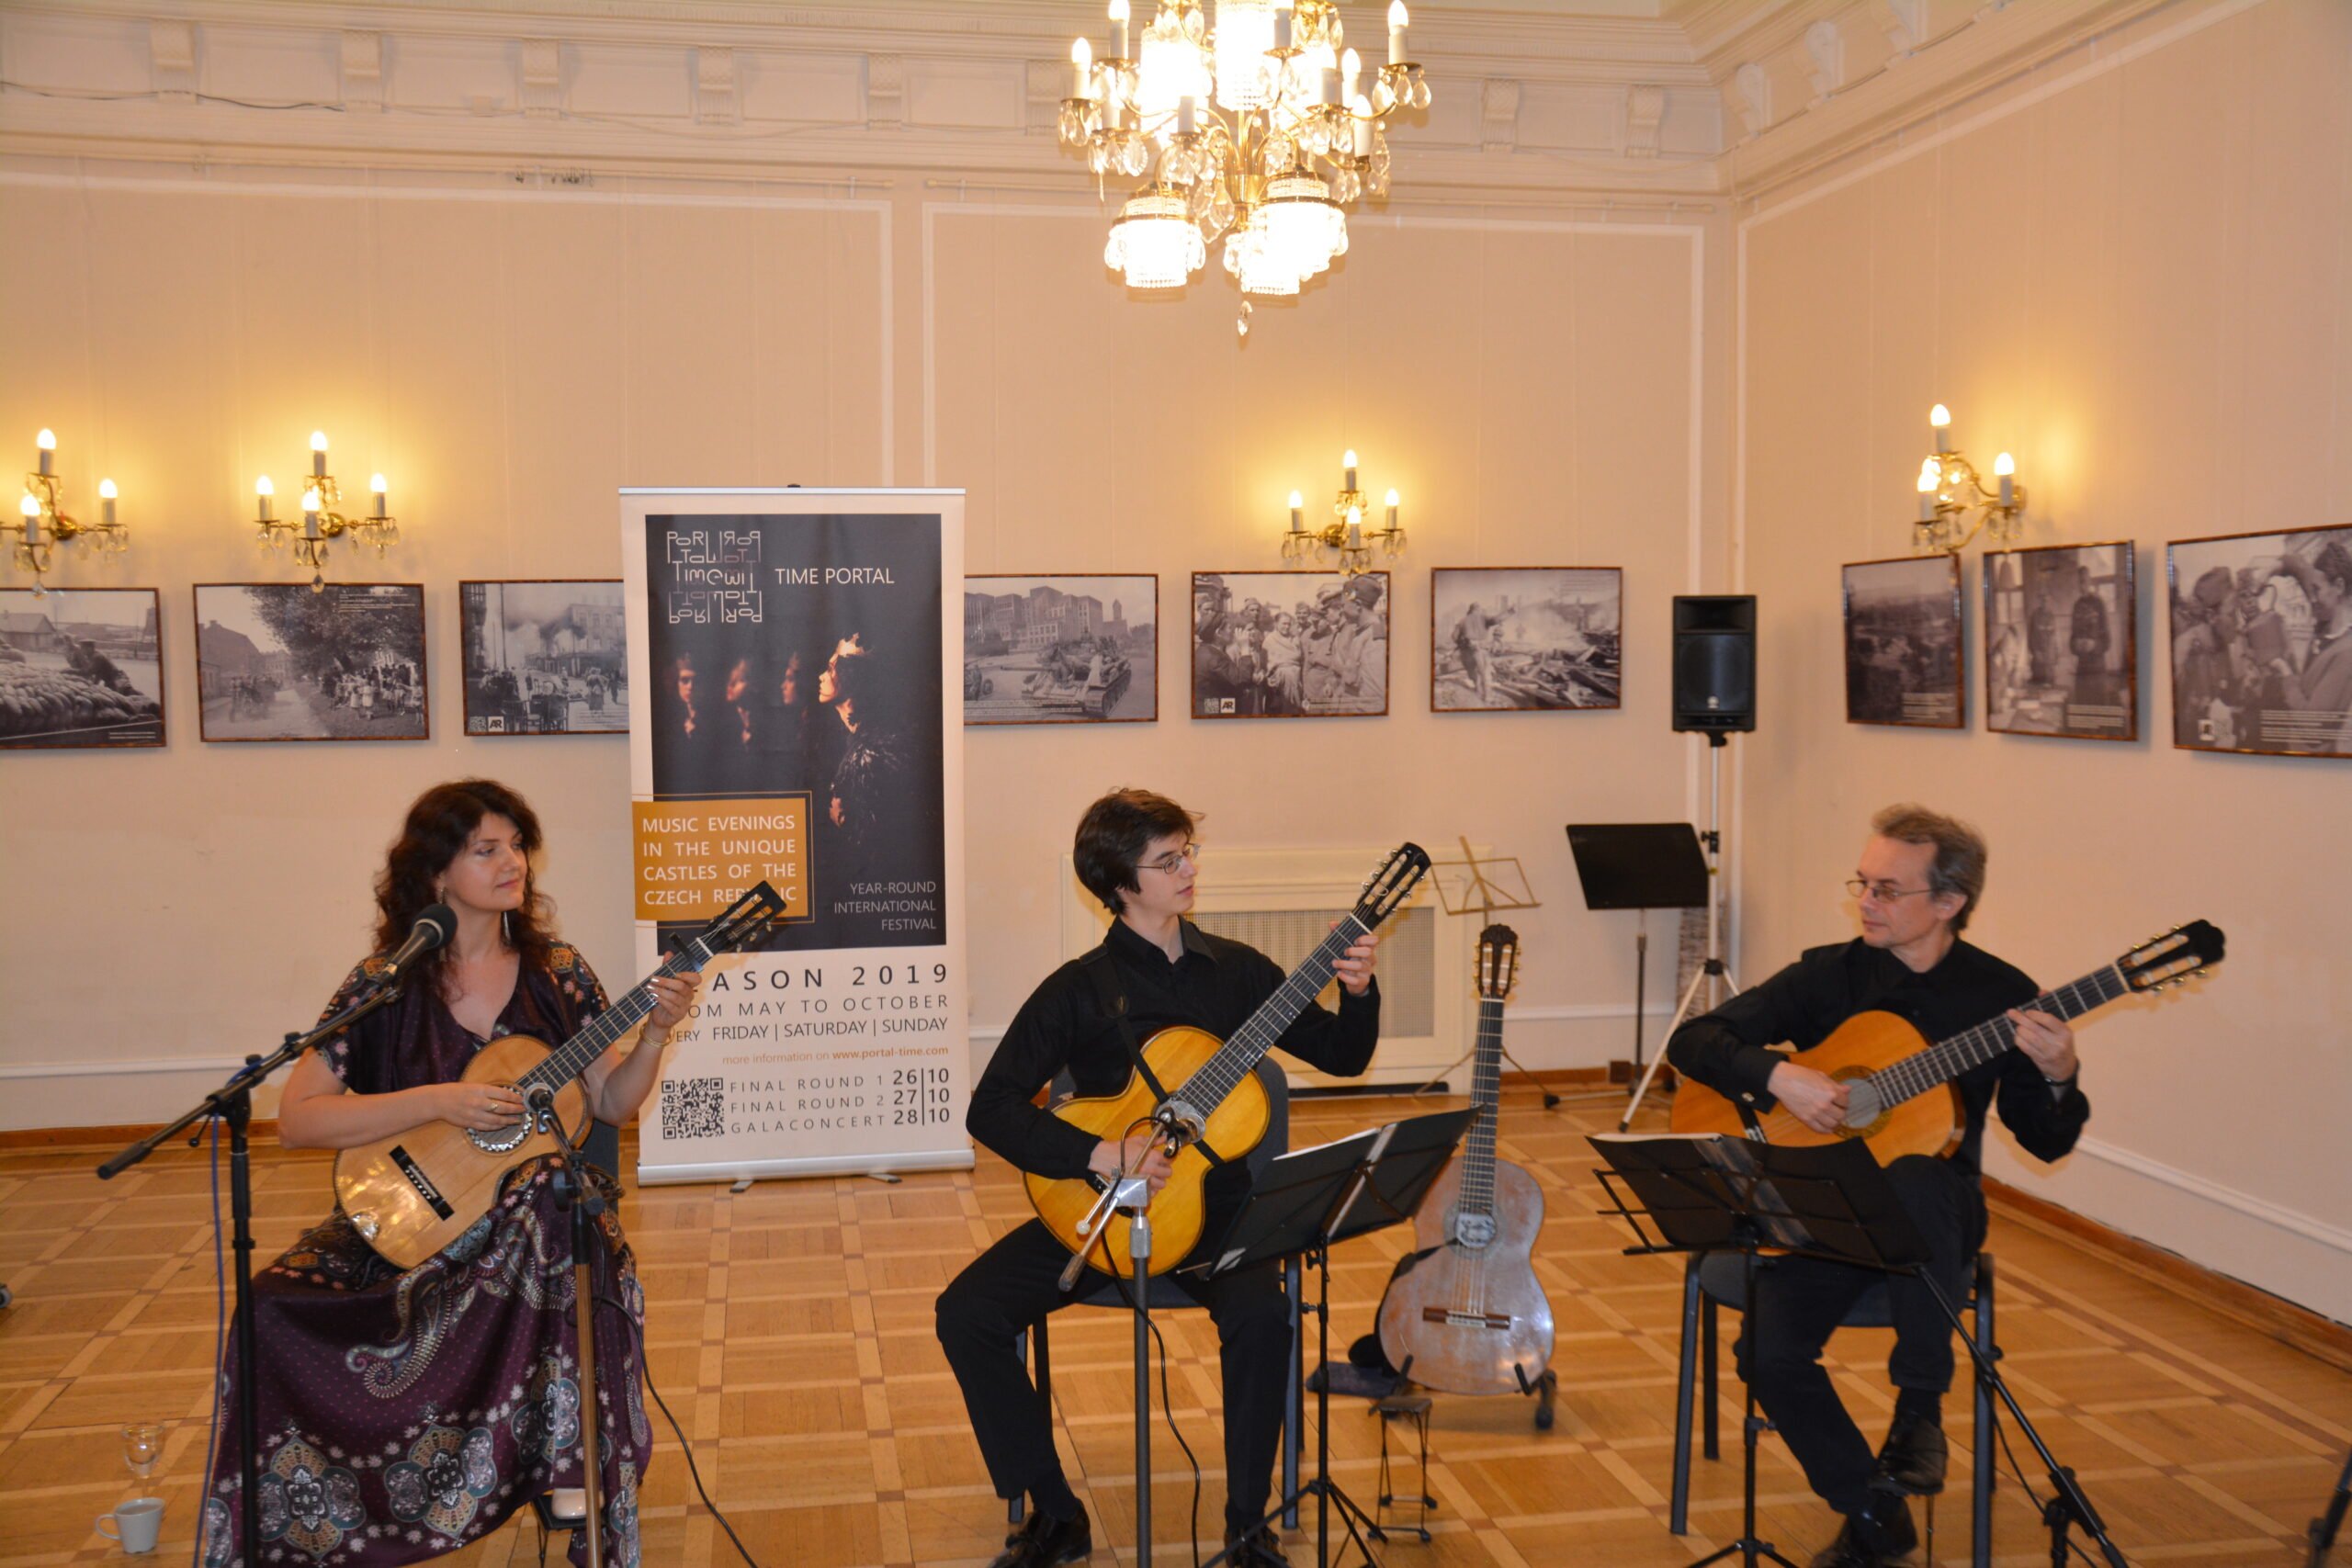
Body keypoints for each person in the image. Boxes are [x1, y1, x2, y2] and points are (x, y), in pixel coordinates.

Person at [198, 779, 702, 1568]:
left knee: (545, 1198)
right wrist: (440, 1101)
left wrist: (654, 1036)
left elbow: (611, 1101)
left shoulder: (557, 972)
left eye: (517, 846)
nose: (513, 863)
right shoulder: (383, 983)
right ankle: (306, 1517)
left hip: (526, 1229)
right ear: (437, 874)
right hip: (406, 1223)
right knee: (268, 1307)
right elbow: (298, 1118)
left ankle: (560, 1466)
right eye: (486, 849)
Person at [938, 790, 1383, 1568]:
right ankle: (1056, 1512)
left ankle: (1246, 1525)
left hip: (1218, 1216)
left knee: (1264, 1315)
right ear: (1120, 884)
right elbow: (991, 1108)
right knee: (967, 1311)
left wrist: (1359, 990)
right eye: (1167, 860)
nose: (1187, 870)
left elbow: (1344, 1056)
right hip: (1104, 1214)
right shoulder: (1077, 989)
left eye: (1188, 852)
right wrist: (1099, 1153)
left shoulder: (1237, 971)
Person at [1666, 805, 2089, 1568]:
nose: (1865, 901)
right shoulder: (1830, 972)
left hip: (1935, 1220)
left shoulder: (2003, 996)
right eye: (1862, 883)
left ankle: (1919, 1411)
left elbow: (2044, 1138)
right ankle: (1873, 1510)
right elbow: (1694, 1040)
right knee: (1767, 1354)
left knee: (1918, 1173)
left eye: (1887, 889)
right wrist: (1779, 1076)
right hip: (1823, 1207)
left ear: (1949, 901)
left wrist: (2060, 1075)